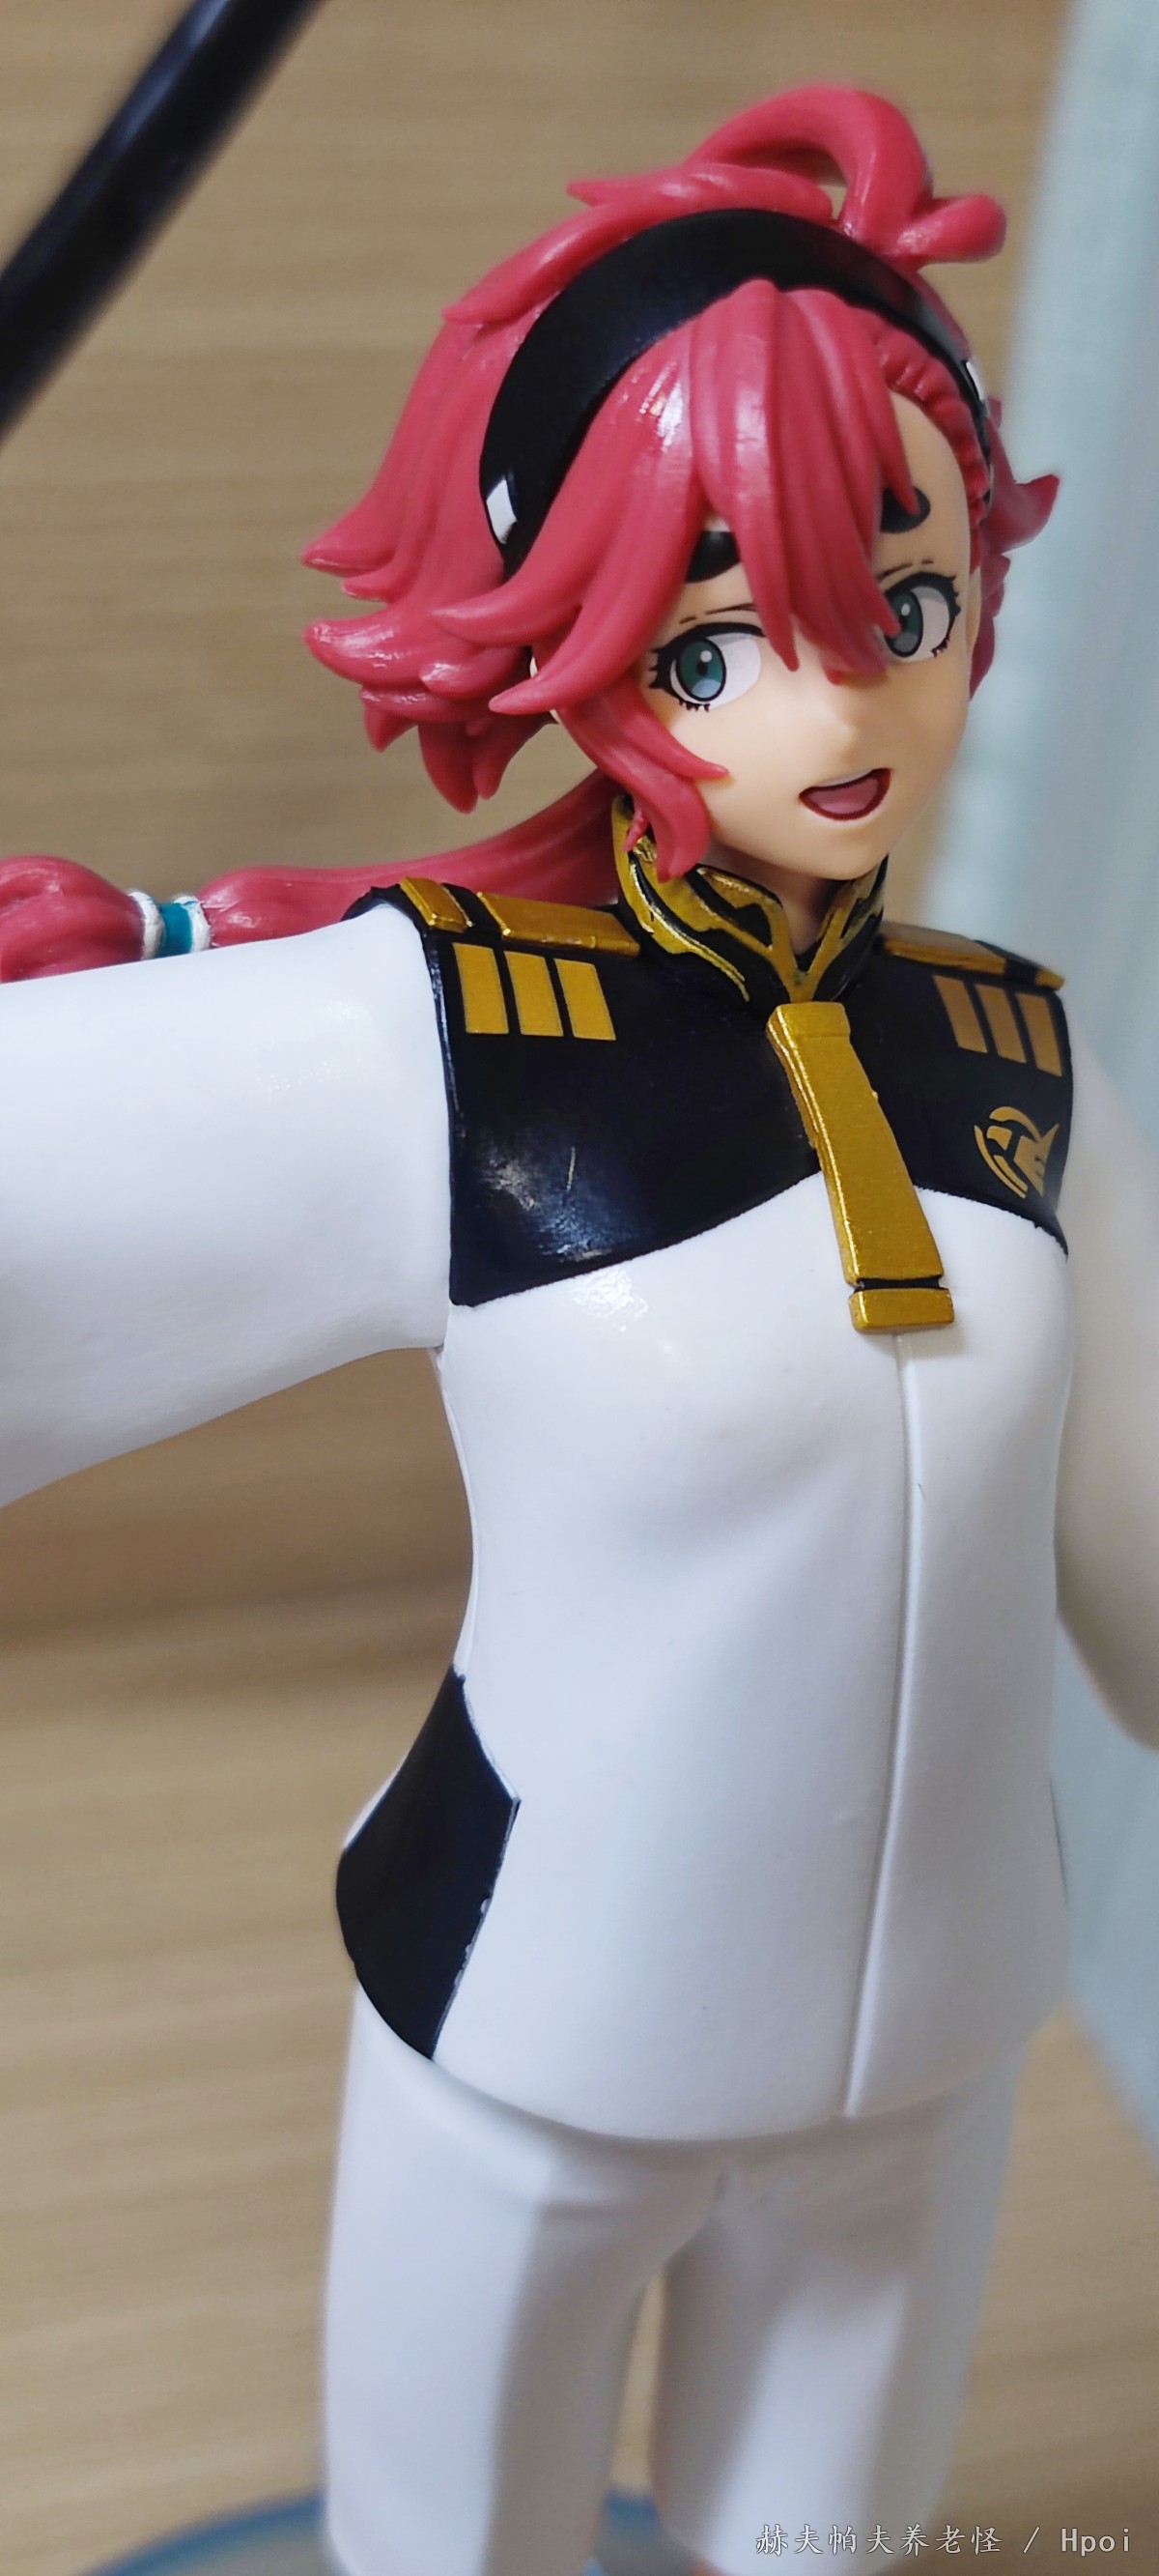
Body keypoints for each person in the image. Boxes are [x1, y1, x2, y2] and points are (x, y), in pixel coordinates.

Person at [1, 82, 1156, 2576]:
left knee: (827, 2544)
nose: (836, 720)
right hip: (539, 2025)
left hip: (939, 2043)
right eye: (720, 642)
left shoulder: (1024, 1054)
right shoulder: (447, 1037)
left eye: (906, 606)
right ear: (581, 645)